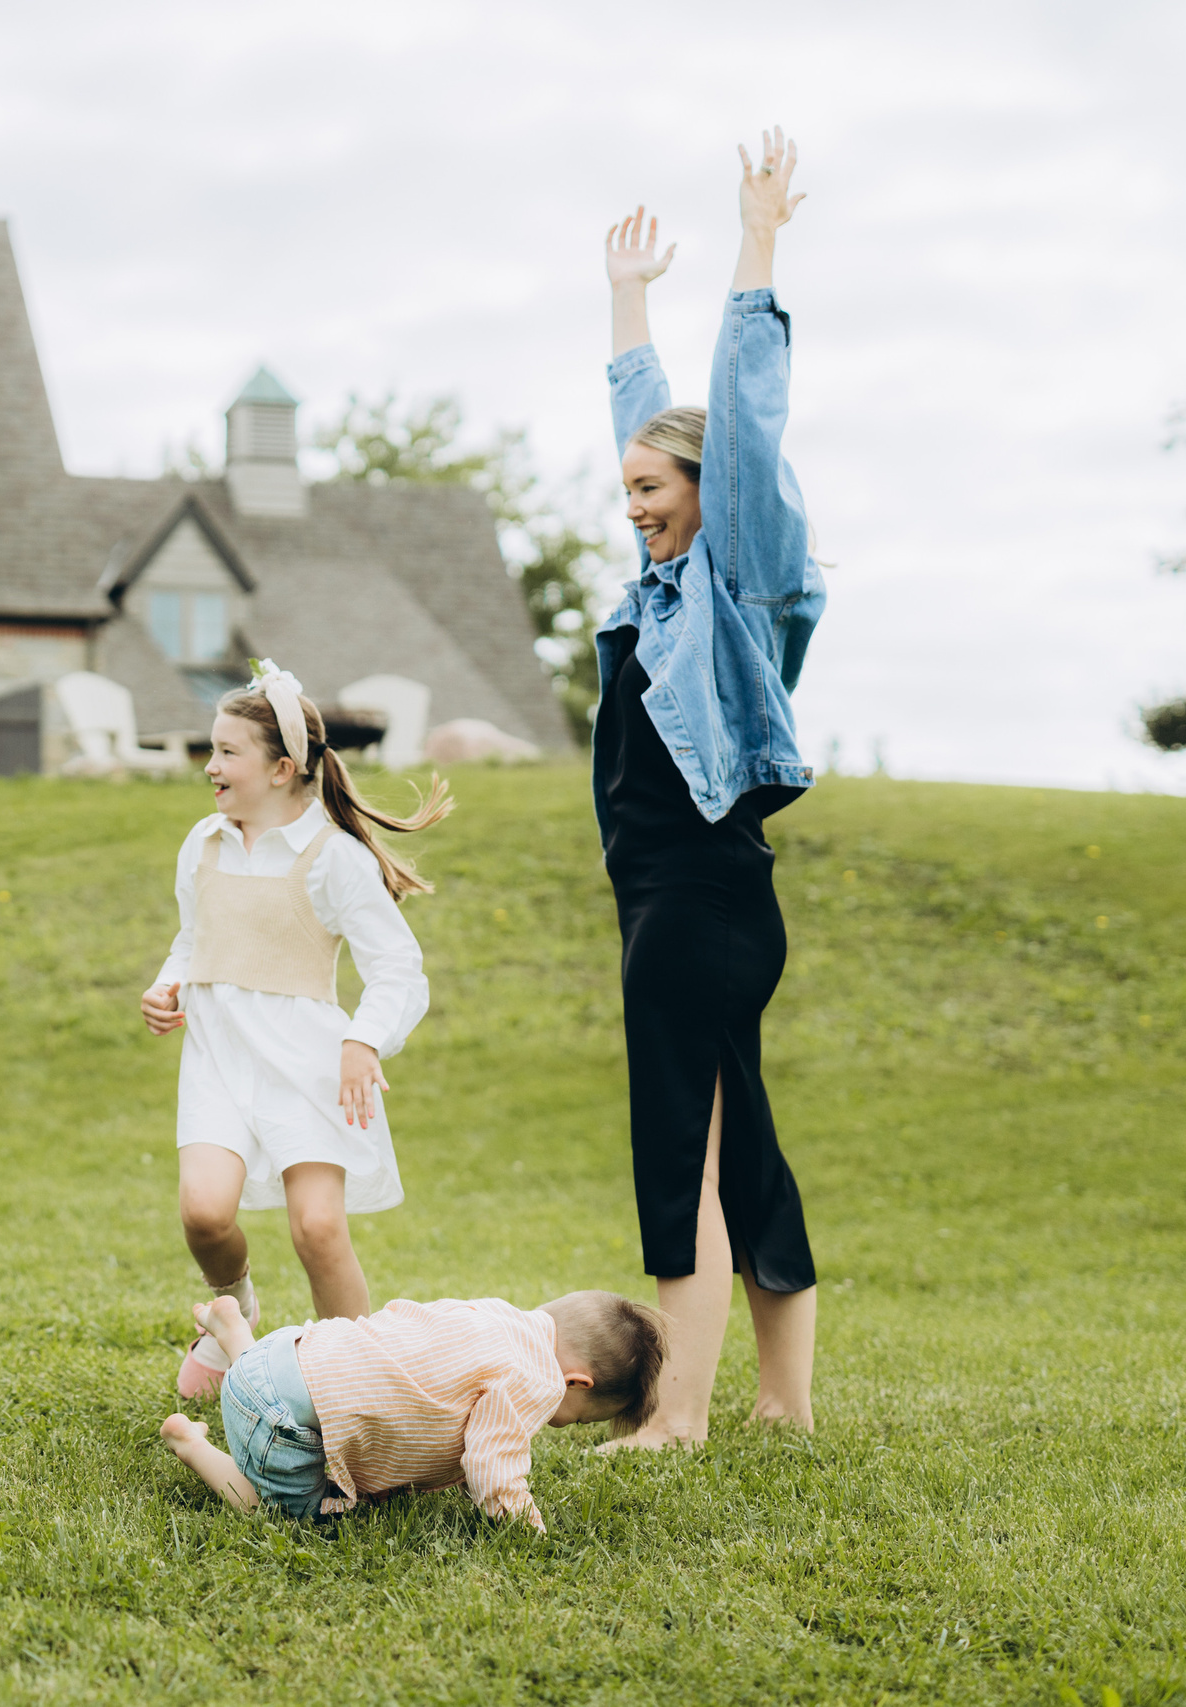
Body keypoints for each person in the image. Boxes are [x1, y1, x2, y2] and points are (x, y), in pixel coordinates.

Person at [593, 128, 827, 1447]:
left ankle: (675, 1413)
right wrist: (626, 303)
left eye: (650, 487)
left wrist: (757, 244)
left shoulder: (733, 581)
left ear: (705, 490)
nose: (632, 507)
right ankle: (781, 1403)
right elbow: (651, 417)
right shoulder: (658, 591)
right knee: (738, 1144)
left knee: (680, 1132)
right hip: (678, 896)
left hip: (699, 891)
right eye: (622, 488)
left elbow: (737, 415)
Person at [141, 662, 450, 1401]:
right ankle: (236, 1308)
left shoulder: (333, 858)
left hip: (308, 1067)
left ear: (281, 768)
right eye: (211, 749)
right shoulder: (204, 843)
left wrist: (363, 1039)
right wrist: (167, 984)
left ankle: (362, 1386)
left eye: (227, 752)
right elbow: (194, 937)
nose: (209, 766)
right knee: (204, 1213)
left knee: (317, 1228)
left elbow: (399, 969)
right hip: (217, 1058)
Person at [159, 1289, 667, 1531]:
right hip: (278, 1420)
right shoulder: (533, 1377)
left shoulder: (495, 1315)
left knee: (287, 1372)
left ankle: (232, 1333)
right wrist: (526, 1528)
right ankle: (193, 1445)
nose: (563, 1423)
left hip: (281, 1351)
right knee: (296, 1517)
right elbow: (493, 1465)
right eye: (577, 1417)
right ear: (576, 1381)